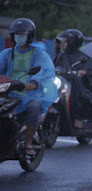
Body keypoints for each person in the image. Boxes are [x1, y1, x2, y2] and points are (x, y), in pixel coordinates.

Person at [0, 18, 57, 155]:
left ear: (30, 36)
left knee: (34, 106)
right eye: (16, 35)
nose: (19, 38)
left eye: (22, 35)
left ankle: (28, 143)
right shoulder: (6, 54)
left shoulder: (39, 54)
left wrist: (34, 83)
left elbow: (45, 71)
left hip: (29, 93)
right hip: (8, 91)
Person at [53, 29, 92, 126]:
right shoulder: (60, 56)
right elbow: (52, 66)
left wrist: (84, 73)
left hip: (77, 89)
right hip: (61, 87)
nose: (62, 44)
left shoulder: (83, 58)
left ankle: (79, 119)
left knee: (78, 99)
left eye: (65, 42)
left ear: (72, 43)